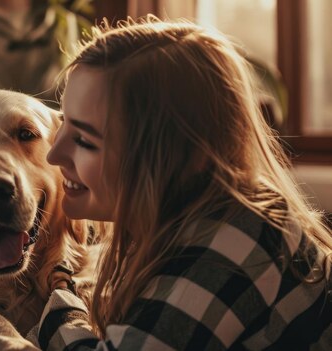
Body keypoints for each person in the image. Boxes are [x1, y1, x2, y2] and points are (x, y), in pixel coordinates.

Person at [31, 17, 332, 350]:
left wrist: (61, 303)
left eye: (85, 140)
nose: (54, 155)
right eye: (63, 126)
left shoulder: (230, 247)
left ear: (174, 158)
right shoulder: (191, 219)